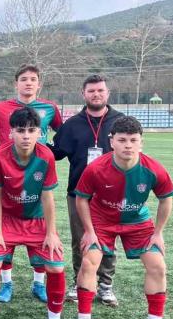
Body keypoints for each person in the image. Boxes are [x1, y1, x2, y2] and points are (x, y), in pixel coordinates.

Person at [72, 116, 173, 319]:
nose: (128, 145)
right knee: (89, 262)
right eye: (122, 140)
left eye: (133, 140)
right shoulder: (96, 168)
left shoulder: (153, 169)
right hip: (101, 220)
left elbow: (166, 199)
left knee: (158, 266)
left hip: (137, 221)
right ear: (112, 142)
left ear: (141, 142)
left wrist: (158, 233)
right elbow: (81, 199)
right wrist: (89, 231)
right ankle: (83, 318)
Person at [0, 107, 72, 319]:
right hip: (7, 219)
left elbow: (48, 198)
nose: (26, 136)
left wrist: (51, 233)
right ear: (11, 133)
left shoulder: (46, 156)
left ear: (40, 133)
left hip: (37, 220)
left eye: (31, 130)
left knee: (56, 267)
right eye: (20, 131)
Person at [0, 64, 64, 305]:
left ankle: (38, 283)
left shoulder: (50, 108)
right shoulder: (0, 108)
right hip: (7, 168)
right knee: (3, 242)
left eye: (33, 79)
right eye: (24, 79)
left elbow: (65, 134)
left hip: (37, 170)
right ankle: (7, 283)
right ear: (16, 83)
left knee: (42, 243)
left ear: (39, 84)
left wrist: (55, 152)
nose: (28, 82)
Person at [51, 74, 123, 305]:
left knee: (108, 239)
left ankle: (105, 285)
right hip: (78, 192)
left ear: (108, 93)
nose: (96, 94)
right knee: (80, 239)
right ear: (83, 94)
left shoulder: (120, 122)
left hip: (111, 192)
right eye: (91, 91)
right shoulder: (72, 124)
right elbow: (56, 153)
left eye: (100, 90)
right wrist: (33, 144)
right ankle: (79, 280)